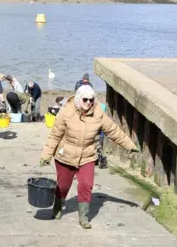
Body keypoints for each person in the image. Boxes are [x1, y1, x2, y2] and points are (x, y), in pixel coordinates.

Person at [39, 85, 139, 229]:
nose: (88, 103)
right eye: (85, 100)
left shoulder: (98, 113)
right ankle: (58, 207)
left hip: (87, 156)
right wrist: (46, 155)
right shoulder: (65, 112)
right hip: (65, 155)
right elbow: (55, 136)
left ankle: (83, 217)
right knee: (63, 186)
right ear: (79, 99)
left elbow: (113, 130)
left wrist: (129, 145)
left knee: (86, 185)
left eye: (91, 100)